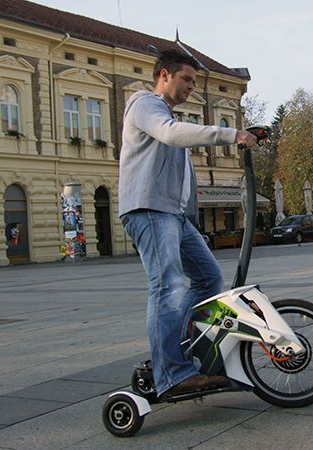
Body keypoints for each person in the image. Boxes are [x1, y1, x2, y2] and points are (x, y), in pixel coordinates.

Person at [118, 49, 257, 399]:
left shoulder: (167, 114)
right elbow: (171, 133)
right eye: (187, 79)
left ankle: (177, 350)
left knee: (209, 277)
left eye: (195, 81)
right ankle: (172, 374)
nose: (192, 87)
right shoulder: (145, 105)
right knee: (168, 286)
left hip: (174, 216)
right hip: (148, 209)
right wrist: (230, 134)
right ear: (164, 75)